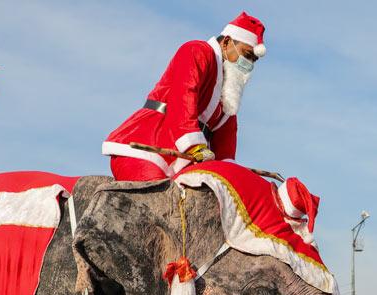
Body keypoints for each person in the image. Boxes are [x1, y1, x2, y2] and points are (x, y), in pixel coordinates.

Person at [102, 12, 267, 181]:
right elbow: (183, 98)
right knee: (158, 195)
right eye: (246, 55)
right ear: (226, 42)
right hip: (148, 145)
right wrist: (194, 145)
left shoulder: (230, 91)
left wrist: (228, 171)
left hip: (185, 159)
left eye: (253, 60)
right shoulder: (196, 51)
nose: (248, 64)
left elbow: (226, 140)